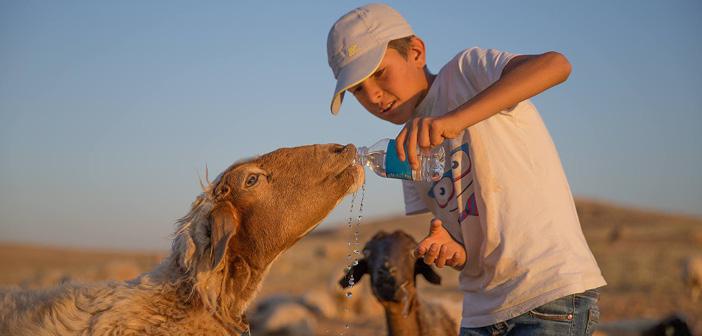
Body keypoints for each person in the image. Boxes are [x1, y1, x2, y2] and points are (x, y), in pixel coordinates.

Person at [325, 3, 606, 336]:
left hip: (547, 296)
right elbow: (466, 247)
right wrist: (452, 248)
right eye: (357, 89)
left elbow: (556, 65)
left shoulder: (466, 72)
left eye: (379, 73)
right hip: (479, 313)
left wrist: (454, 120)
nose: (372, 95)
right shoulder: (406, 150)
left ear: (416, 51)